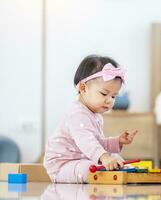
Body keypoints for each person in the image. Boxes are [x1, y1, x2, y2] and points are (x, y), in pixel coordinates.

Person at [44, 55, 138, 183]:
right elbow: (87, 143)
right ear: (83, 88)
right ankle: (113, 175)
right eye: (104, 94)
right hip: (63, 166)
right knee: (91, 168)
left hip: (82, 159)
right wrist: (105, 157)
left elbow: (97, 143)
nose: (109, 101)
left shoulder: (96, 116)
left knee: (115, 158)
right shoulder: (77, 114)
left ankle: (122, 172)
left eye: (114, 96)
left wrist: (118, 142)